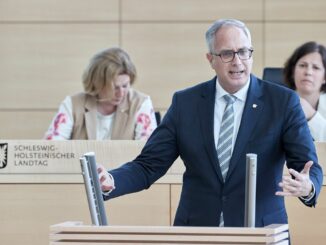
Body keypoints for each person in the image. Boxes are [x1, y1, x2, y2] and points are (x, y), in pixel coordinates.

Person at [97, 19, 323, 228]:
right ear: (210, 59)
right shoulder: (185, 103)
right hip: (196, 230)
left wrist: (308, 186)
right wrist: (112, 180)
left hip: (260, 230)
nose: (237, 61)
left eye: (244, 52)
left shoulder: (282, 102)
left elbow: (307, 165)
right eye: (227, 53)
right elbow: (148, 165)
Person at [45, 47, 157, 140]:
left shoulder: (141, 103)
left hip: (124, 167)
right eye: (114, 87)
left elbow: (148, 152)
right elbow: (52, 148)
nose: (121, 93)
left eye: (125, 85)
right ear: (97, 84)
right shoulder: (73, 104)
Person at [284, 41, 326, 141]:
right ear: (292, 71)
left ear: (325, 77)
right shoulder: (278, 101)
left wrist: (312, 115)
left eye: (316, 67)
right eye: (302, 65)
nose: (308, 72)